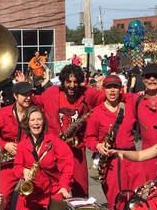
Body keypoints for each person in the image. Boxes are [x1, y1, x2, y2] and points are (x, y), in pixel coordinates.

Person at [29, 64, 103, 197]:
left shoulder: (87, 93)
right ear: (63, 81)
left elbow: (106, 98)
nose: (72, 85)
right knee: (54, 188)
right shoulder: (52, 93)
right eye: (69, 81)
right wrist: (23, 88)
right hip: (54, 149)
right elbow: (34, 100)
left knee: (81, 189)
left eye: (75, 82)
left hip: (76, 149)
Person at [12, 105, 73, 210]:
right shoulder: (22, 145)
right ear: (27, 123)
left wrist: (64, 187)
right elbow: (16, 167)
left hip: (53, 190)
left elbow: (67, 166)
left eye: (39, 119)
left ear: (43, 122)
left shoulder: (54, 141)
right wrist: (24, 172)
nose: (36, 123)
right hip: (32, 191)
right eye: (32, 120)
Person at [85, 75, 136, 210]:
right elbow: (89, 138)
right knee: (115, 200)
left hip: (130, 158)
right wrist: (98, 146)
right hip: (110, 162)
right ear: (103, 90)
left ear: (121, 90)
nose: (112, 90)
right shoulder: (96, 112)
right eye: (108, 87)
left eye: (115, 87)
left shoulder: (129, 108)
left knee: (133, 198)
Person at [0, 81, 33, 210]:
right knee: (3, 198)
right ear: (15, 96)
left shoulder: (35, 112)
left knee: (31, 202)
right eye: (24, 95)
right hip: (9, 164)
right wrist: (5, 145)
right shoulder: (4, 113)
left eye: (29, 94)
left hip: (30, 162)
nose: (28, 97)